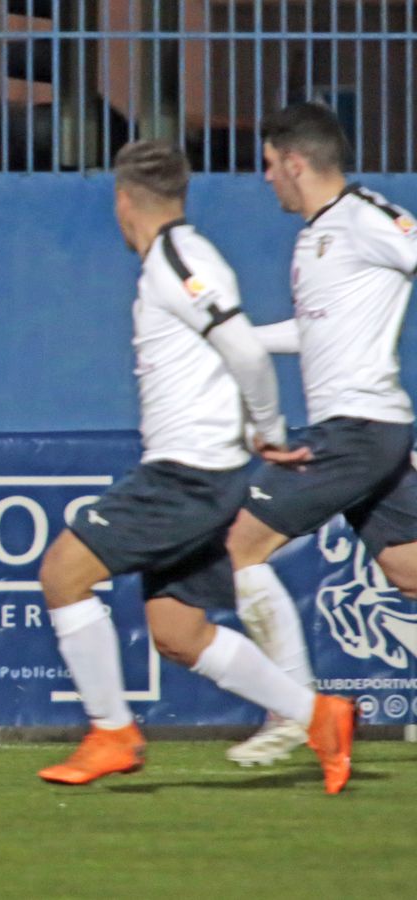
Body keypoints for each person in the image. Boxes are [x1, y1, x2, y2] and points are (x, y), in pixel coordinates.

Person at [35, 140, 354, 794]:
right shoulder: (180, 257)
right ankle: (318, 716)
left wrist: (268, 430)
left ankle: (111, 732)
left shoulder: (176, 261)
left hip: (188, 475)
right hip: (203, 474)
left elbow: (243, 347)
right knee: (179, 634)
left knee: (63, 573)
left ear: (124, 200)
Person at [220, 102, 417, 765]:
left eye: (269, 164)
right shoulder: (319, 235)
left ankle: (294, 711)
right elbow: (316, 333)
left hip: (358, 430)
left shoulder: (365, 218)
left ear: (295, 162)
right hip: (362, 432)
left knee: (241, 546)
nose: (265, 177)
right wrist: (234, 339)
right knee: (407, 571)